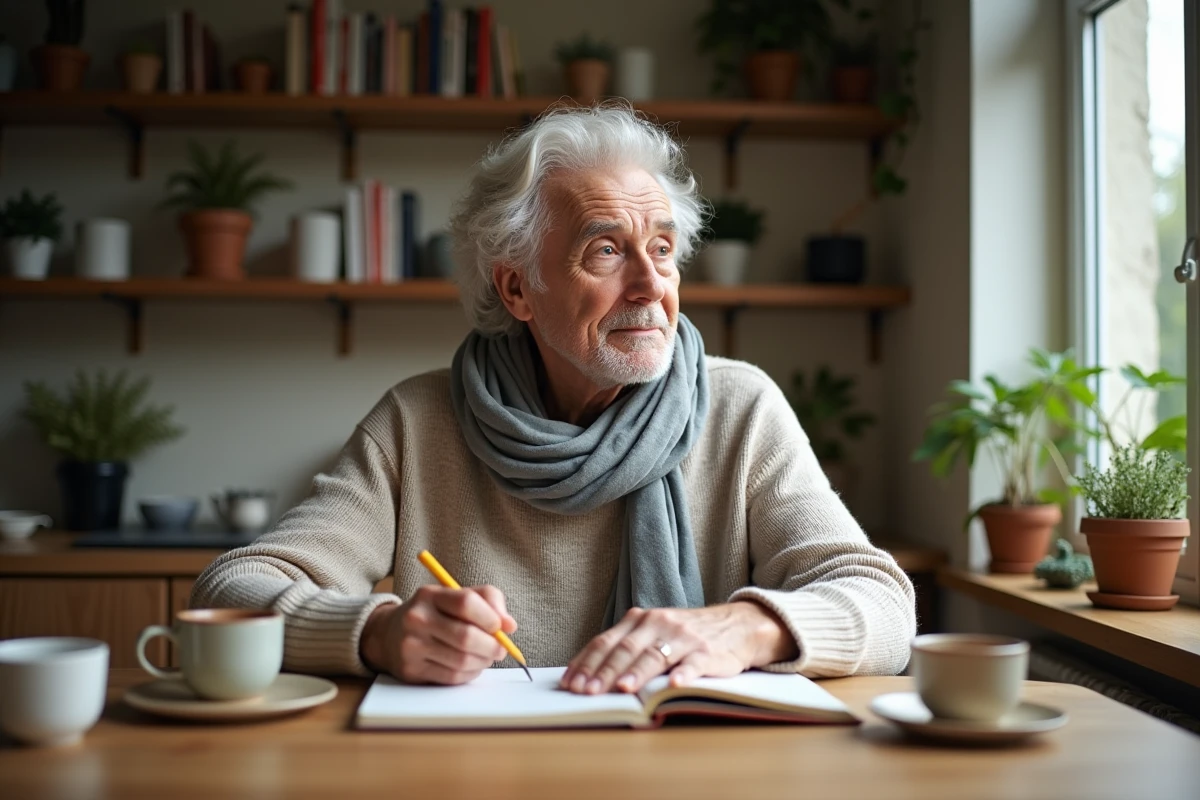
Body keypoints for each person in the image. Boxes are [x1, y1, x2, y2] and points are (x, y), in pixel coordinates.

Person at [192, 103, 915, 696]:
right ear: (517, 289)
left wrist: (748, 628)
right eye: (606, 250)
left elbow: (885, 606)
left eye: (661, 249)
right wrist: (377, 631)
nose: (649, 285)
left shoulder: (741, 408)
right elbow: (232, 590)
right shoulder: (418, 422)